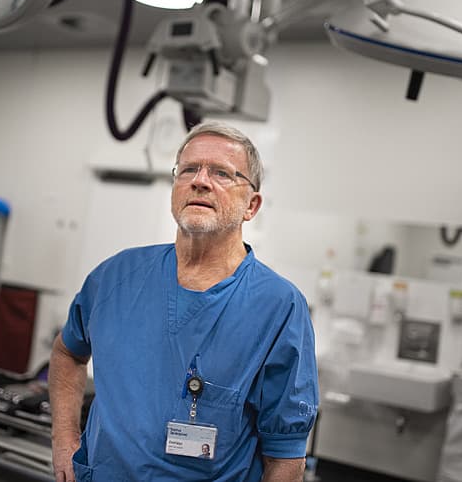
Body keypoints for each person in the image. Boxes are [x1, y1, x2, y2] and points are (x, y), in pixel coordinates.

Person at [49, 122, 319, 482]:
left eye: (222, 173)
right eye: (189, 169)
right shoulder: (116, 276)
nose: (200, 180)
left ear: (251, 206)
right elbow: (68, 353)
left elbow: (285, 457)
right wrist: (64, 441)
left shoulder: (279, 307)